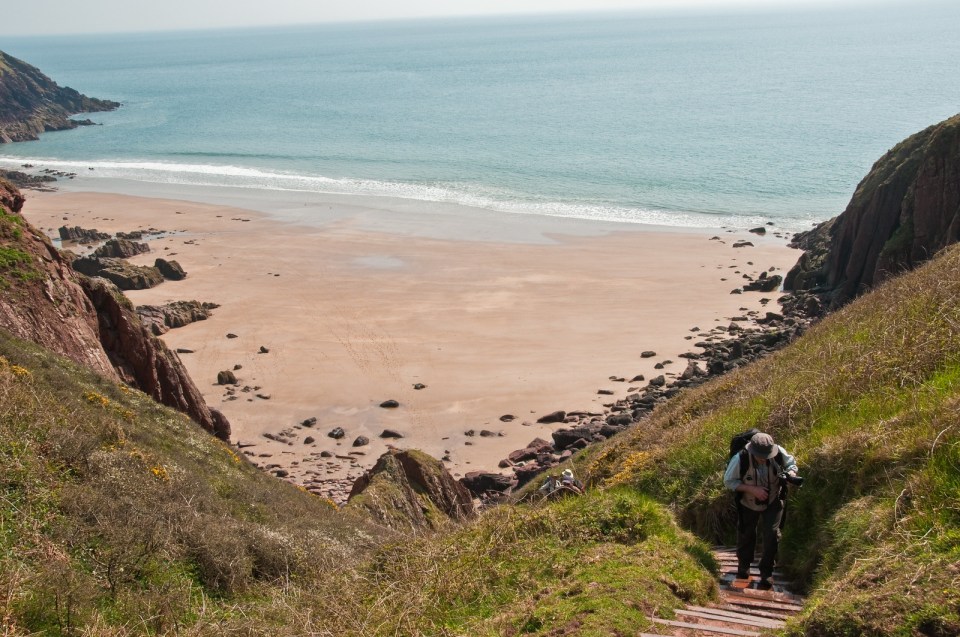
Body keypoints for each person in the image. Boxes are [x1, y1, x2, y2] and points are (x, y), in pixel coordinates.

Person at [723, 432, 798, 590]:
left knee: (772, 534)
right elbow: (729, 481)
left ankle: (767, 573)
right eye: (760, 455)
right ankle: (744, 567)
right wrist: (752, 489)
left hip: (774, 500)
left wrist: (791, 473)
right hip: (747, 502)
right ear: (752, 451)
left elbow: (791, 463)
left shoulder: (778, 452)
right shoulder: (740, 458)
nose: (764, 458)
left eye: (766, 455)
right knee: (746, 533)